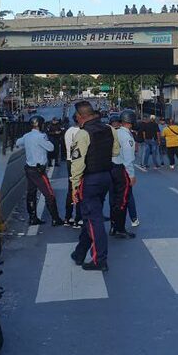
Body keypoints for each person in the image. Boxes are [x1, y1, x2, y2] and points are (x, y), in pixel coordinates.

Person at [70, 101, 119, 271]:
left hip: (89, 180)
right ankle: (80, 252)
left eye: (76, 116)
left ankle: (100, 259)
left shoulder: (82, 134)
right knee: (90, 216)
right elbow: (116, 152)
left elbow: (77, 164)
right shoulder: (109, 129)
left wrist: (75, 187)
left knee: (93, 219)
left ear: (80, 116)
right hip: (106, 177)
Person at [15, 115, 64, 227]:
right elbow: (51, 148)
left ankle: (33, 218)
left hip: (29, 168)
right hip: (38, 170)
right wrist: (45, 138)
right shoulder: (41, 137)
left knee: (31, 193)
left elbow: (18, 142)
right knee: (49, 193)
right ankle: (55, 219)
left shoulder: (27, 136)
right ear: (40, 125)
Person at [110, 109, 138, 237]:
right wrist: (131, 175)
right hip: (122, 171)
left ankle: (113, 226)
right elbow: (128, 159)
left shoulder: (115, 132)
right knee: (123, 200)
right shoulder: (127, 136)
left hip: (111, 169)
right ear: (130, 121)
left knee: (114, 200)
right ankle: (120, 228)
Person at [63, 115, 83, 227]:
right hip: (78, 162)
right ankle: (78, 218)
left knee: (71, 189)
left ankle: (68, 217)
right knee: (80, 189)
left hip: (69, 161)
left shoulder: (68, 131)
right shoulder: (82, 132)